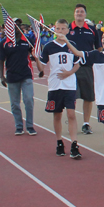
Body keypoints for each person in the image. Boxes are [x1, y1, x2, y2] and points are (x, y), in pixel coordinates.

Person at [58, 28, 104, 173]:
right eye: (103, 37)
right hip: (102, 100)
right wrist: (66, 41)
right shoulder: (95, 55)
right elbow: (78, 53)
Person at [37, 19, 82, 159]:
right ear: (54, 30)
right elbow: (41, 68)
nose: (60, 31)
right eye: (58, 29)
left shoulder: (72, 45)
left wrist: (69, 73)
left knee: (71, 114)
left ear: (68, 31)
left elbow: (77, 63)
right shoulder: (49, 46)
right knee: (57, 114)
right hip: (55, 85)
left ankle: (74, 144)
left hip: (69, 85)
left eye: (63, 29)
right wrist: (36, 57)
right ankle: (59, 142)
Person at [0, 24, 38, 136]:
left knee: (29, 99)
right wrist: (1, 76)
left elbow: (35, 53)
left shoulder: (27, 40)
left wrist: (38, 63)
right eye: (13, 26)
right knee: (15, 104)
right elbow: (1, 60)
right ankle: (19, 126)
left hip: (26, 75)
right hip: (12, 76)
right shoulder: (5, 42)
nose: (16, 28)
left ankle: (30, 126)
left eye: (18, 26)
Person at [69, 4, 101, 135]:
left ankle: (86, 123)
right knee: (72, 96)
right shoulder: (68, 29)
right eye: (77, 11)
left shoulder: (92, 30)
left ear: (85, 14)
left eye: (82, 11)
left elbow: (98, 48)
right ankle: (72, 121)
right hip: (71, 67)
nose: (79, 13)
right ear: (74, 14)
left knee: (88, 96)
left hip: (87, 66)